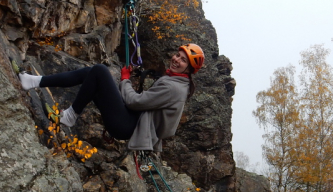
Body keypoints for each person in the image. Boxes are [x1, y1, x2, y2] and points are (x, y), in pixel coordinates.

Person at [18, 44, 204, 152]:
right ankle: (35, 81)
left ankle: (69, 116)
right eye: (177, 55)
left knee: (99, 70)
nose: (176, 60)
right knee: (91, 73)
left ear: (189, 69)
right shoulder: (177, 83)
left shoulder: (173, 87)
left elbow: (135, 102)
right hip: (131, 122)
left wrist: (125, 80)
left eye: (183, 60)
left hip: (127, 126)